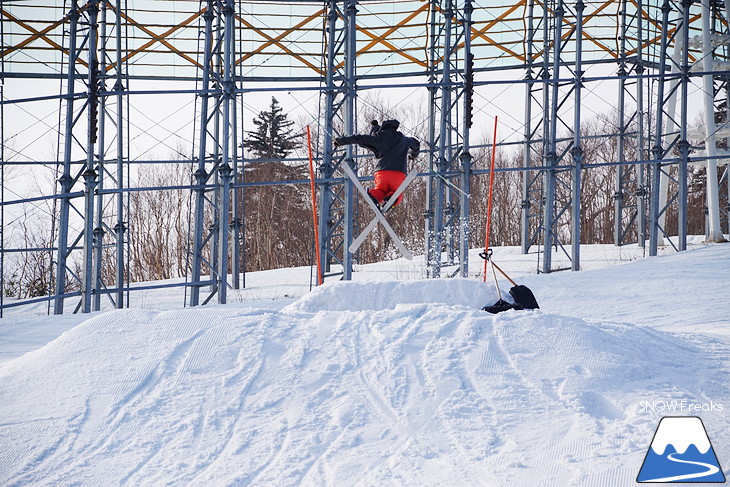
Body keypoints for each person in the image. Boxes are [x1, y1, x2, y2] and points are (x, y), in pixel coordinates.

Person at [334, 119, 420, 209]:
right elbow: (416, 144)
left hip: (381, 173)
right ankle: (391, 199)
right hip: (397, 173)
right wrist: (413, 155)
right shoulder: (403, 139)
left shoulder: (378, 138)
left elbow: (360, 139)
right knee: (397, 192)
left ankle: (374, 196)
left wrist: (341, 141)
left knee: (380, 190)